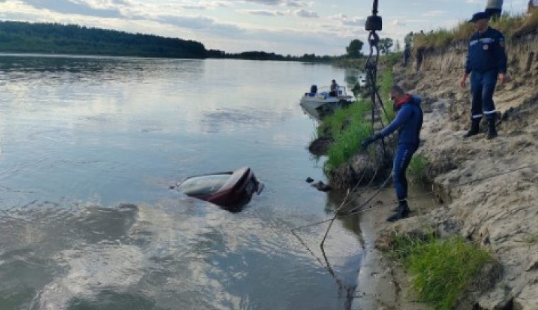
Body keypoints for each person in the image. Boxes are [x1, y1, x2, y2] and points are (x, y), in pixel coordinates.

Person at [361, 85, 423, 222]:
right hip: (406, 142)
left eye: (392, 99)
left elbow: (394, 125)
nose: (393, 102)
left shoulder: (407, 108)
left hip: (408, 144)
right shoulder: (409, 104)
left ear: (397, 95)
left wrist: (374, 138)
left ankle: (403, 209)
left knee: (396, 174)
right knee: (400, 174)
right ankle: (403, 204)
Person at [459, 12, 508, 139]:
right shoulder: (473, 38)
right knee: (475, 99)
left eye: (475, 21)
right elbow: (470, 58)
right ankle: (475, 127)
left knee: (486, 97)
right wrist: (464, 76)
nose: (474, 24)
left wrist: (502, 72)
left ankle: (492, 128)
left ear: (484, 21)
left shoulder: (496, 36)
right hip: (475, 74)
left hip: (490, 72)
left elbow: (501, 56)